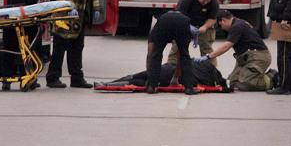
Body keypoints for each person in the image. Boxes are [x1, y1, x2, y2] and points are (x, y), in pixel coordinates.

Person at [46, 0, 101, 89]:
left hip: (78, 19)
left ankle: (76, 79)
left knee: (77, 48)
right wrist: (70, 9)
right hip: (64, 18)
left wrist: (97, 9)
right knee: (60, 48)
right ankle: (52, 78)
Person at [196, 10, 276, 91]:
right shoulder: (237, 23)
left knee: (245, 83)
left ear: (223, 20)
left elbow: (226, 46)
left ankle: (272, 78)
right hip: (246, 58)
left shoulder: (237, 26)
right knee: (231, 83)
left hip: (258, 57)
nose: (221, 28)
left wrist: (208, 56)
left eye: (220, 25)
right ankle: (252, 75)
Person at [94, 62, 231, 93]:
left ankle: (109, 82)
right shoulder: (203, 80)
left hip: (166, 67)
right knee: (139, 82)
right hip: (167, 76)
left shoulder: (207, 65)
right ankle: (106, 85)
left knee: (138, 75)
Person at [168, 0, 219, 66]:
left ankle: (211, 70)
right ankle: (171, 67)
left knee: (207, 48)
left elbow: (213, 19)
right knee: (177, 46)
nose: (205, 3)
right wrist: (188, 26)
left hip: (203, 25)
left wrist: (205, 27)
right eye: (203, 0)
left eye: (208, 1)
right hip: (185, 23)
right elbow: (178, 15)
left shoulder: (214, 2)